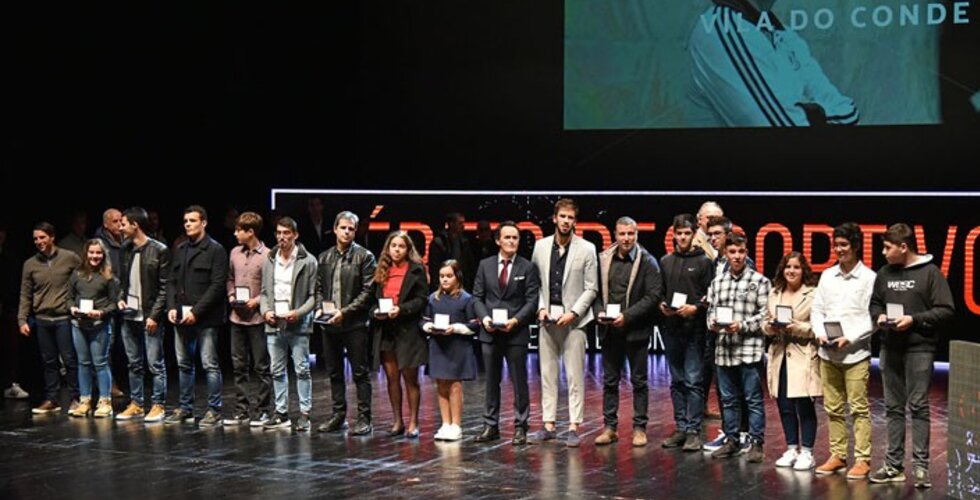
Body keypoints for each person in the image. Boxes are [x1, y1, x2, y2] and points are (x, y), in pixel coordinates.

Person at [868, 223, 954, 488]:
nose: (883, 252)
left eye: (888, 247)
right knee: (893, 408)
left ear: (904, 247)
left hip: (919, 349)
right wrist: (878, 316)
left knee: (918, 406)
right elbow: (875, 303)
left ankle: (920, 467)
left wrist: (913, 320)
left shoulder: (930, 273)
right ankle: (893, 465)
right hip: (890, 347)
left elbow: (946, 309)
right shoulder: (884, 273)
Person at [687, 0, 859, 127]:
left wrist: (807, 112)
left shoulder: (781, 32)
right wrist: (815, 112)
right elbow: (784, 131)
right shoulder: (721, 28)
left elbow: (848, 112)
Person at [528, 198, 599, 448]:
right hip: (547, 321)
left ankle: (573, 426)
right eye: (563, 216)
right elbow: (535, 284)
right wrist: (540, 308)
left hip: (574, 322)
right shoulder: (540, 247)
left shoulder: (587, 248)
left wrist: (574, 313)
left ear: (575, 221)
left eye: (570, 217)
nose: (566, 221)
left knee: (574, 376)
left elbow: (591, 288)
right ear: (554, 218)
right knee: (547, 374)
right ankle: (548, 424)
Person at [809, 222, 876, 480]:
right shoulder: (827, 275)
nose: (839, 249)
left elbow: (872, 318)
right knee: (833, 407)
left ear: (856, 246)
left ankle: (862, 458)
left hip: (855, 354)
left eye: (844, 245)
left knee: (858, 407)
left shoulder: (869, 278)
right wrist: (819, 332)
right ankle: (838, 455)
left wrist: (850, 338)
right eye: (836, 245)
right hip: (828, 353)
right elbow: (817, 310)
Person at [593, 217, 663, 448]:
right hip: (609, 330)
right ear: (615, 234)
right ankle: (610, 427)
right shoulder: (604, 259)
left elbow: (653, 296)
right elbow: (594, 291)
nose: (626, 238)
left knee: (639, 382)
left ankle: (639, 428)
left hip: (636, 331)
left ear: (636, 235)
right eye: (622, 234)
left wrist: (627, 316)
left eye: (630, 234)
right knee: (610, 381)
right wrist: (599, 312)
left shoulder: (648, 262)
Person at [472, 221, 540, 445]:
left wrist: (516, 320)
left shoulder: (527, 267)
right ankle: (490, 426)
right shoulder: (485, 265)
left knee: (519, 381)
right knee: (491, 381)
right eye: (507, 237)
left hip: (515, 333)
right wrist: (485, 319)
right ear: (498, 240)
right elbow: (477, 297)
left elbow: (532, 301)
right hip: (490, 332)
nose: (511, 241)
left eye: (515, 238)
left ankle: (521, 427)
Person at [706, 232, 770, 463]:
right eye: (732, 252)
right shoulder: (718, 282)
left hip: (748, 350)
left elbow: (765, 315)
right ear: (725, 253)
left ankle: (757, 443)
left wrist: (741, 325)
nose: (737, 256)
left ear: (747, 253)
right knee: (728, 399)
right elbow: (710, 311)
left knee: (753, 399)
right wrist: (712, 323)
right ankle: (732, 440)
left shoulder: (760, 281)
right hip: (724, 350)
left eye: (741, 252)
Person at [165, 205, 228, 426]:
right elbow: (171, 282)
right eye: (185, 221)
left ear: (204, 223)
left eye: (192, 221)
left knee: (209, 364)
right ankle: (185, 408)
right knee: (184, 364)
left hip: (206, 318)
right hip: (182, 317)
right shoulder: (180, 249)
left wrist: (196, 311)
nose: (188, 225)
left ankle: (214, 410)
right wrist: (171, 307)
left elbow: (217, 286)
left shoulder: (215, 250)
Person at [316, 211, 377, 436]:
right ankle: (338, 415)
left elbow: (368, 292)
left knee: (360, 372)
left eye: (351, 229)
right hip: (329, 324)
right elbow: (318, 288)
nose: (347, 232)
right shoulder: (324, 257)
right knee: (334, 372)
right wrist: (319, 309)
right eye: (343, 228)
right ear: (335, 229)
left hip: (354, 324)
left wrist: (344, 312)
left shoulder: (365, 256)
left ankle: (364, 418)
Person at [658, 214, 714, 452]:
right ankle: (681, 427)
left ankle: (693, 430)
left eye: (687, 233)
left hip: (694, 331)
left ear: (693, 235)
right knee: (677, 381)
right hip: (672, 329)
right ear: (674, 235)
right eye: (679, 233)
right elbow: (659, 291)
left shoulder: (704, 262)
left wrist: (696, 308)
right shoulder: (665, 261)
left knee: (693, 381)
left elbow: (711, 295)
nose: (682, 237)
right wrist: (662, 305)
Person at [762, 252, 820, 470]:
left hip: (802, 354)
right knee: (784, 405)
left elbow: (818, 327)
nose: (791, 271)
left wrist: (797, 327)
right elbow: (764, 322)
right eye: (788, 267)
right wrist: (770, 327)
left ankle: (807, 452)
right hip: (779, 354)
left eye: (796, 267)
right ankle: (791, 448)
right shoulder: (774, 292)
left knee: (804, 405)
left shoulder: (813, 294)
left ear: (803, 270)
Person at [260, 217, 318, 432]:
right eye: (279, 233)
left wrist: (298, 313)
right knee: (276, 370)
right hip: (275, 322)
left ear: (295, 235)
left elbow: (313, 297)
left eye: (286, 233)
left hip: (298, 323)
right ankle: (281, 412)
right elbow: (264, 292)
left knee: (302, 369)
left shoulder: (308, 261)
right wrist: (265, 311)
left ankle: (305, 414)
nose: (282, 237)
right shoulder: (270, 259)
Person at [18, 222, 82, 414]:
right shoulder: (30, 264)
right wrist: (22, 320)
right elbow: (25, 294)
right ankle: (52, 399)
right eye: (36, 238)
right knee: (49, 362)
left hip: (64, 317)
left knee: (69, 360)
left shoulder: (69, 257)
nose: (39, 241)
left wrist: (80, 305)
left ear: (52, 237)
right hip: (42, 318)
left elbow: (83, 279)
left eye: (42, 237)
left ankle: (76, 397)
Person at [115, 207, 171, 422]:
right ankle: (137, 403)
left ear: (135, 225)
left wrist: (155, 316)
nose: (121, 228)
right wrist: (120, 298)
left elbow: (165, 288)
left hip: (149, 315)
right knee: (133, 363)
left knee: (155, 363)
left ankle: (158, 405)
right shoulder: (125, 249)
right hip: (129, 314)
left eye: (123, 224)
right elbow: (122, 280)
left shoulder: (159, 250)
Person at [371, 231, 428, 439]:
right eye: (393, 246)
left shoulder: (416, 270)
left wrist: (401, 310)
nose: (397, 250)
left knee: (410, 379)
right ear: (388, 248)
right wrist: (376, 312)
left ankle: (413, 422)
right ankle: (397, 421)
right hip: (387, 330)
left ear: (408, 249)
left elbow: (421, 300)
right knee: (392, 378)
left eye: (401, 246)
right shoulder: (381, 270)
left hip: (408, 330)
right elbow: (372, 300)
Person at [224, 211, 273, 426]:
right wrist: (231, 295)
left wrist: (257, 301)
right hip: (237, 317)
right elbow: (229, 278)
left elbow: (270, 286)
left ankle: (263, 410)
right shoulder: (234, 252)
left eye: (239, 230)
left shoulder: (268, 255)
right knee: (239, 365)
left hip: (257, 318)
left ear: (250, 232)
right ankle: (241, 410)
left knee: (261, 366)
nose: (235, 234)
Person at [422, 260, 479, 441]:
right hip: (438, 345)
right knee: (441, 384)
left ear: (457, 277)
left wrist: (455, 328)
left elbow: (474, 325)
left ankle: (456, 425)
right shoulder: (433, 299)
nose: (445, 279)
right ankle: (445, 423)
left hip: (457, 346)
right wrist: (429, 327)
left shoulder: (466, 299)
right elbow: (423, 320)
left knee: (454, 385)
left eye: (449, 276)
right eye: (442, 276)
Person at [66, 239, 119, 418]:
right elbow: (69, 297)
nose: (95, 256)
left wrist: (101, 312)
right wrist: (72, 308)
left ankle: (105, 401)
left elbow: (114, 304)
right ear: (86, 254)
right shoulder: (77, 274)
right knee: (83, 363)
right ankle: (85, 401)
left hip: (99, 325)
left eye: (98, 253)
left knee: (100, 363)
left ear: (103, 255)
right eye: (91, 252)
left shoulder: (109, 276)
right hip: (79, 324)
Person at [428, 212, 476, 291]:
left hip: (462, 287)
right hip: (443, 286)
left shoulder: (464, 242)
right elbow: (434, 269)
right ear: (451, 224)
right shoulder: (439, 243)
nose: (463, 226)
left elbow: (469, 266)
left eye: (463, 223)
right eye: (460, 223)